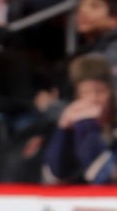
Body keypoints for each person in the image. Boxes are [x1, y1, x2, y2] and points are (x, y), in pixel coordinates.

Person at [43, 54, 117, 184]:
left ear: (111, 92)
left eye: (100, 91)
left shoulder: (88, 125)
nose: (93, 99)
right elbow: (56, 174)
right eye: (86, 93)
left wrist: (87, 125)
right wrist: (63, 131)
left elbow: (104, 175)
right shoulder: (74, 124)